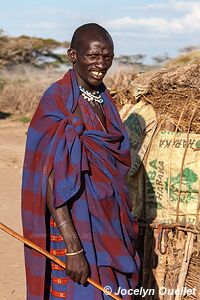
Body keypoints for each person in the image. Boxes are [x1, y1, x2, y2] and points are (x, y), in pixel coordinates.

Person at [21, 23, 140, 300]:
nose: (101, 64)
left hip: (109, 223)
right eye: (93, 56)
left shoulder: (105, 100)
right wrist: (73, 247)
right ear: (73, 55)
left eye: (108, 56)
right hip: (76, 227)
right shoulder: (58, 99)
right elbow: (48, 175)